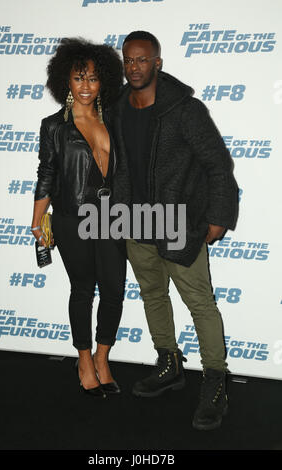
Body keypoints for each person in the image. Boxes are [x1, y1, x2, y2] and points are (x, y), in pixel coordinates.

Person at [111, 31, 238, 429]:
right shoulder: (116, 106)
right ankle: (168, 362)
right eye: (128, 60)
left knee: (199, 302)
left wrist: (218, 216)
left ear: (157, 63)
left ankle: (215, 379)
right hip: (135, 221)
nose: (134, 67)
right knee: (152, 294)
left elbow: (218, 165)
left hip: (180, 223)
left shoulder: (185, 110)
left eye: (142, 60)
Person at [31, 38, 126, 398]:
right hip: (74, 218)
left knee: (115, 290)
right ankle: (84, 360)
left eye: (93, 78)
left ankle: (103, 358)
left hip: (112, 216)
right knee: (83, 290)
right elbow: (46, 174)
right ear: (65, 82)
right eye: (78, 78)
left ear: (104, 82)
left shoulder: (113, 120)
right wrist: (37, 221)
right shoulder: (54, 126)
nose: (86, 86)